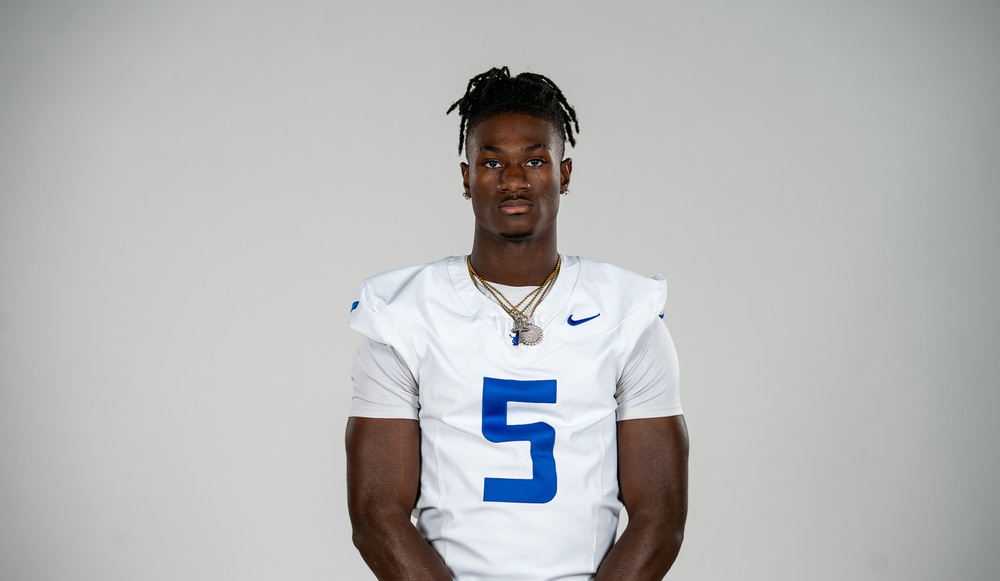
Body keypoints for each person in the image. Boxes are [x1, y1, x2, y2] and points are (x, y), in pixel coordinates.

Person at [346, 66, 688, 581]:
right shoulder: (403, 314)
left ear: (564, 174)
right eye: (491, 162)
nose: (513, 180)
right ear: (466, 178)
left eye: (534, 159)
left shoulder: (628, 313)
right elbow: (376, 514)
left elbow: (660, 516)